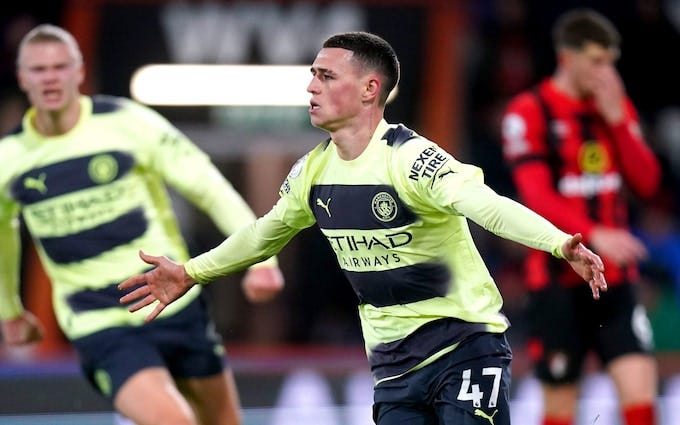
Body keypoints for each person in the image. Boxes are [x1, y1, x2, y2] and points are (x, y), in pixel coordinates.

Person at [120, 31, 607, 425]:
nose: (311, 87)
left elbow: (488, 207)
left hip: (464, 349)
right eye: (312, 76)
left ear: (370, 89)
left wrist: (559, 243)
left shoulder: (411, 160)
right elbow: (263, 234)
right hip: (393, 371)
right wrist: (191, 273)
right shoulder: (313, 172)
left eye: (326, 76)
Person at [0, 24, 285, 425]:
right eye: (39, 69)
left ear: (79, 72)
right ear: (22, 77)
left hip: (175, 303)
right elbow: (3, 235)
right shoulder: (9, 160)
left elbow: (208, 186)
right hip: (99, 323)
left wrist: (261, 260)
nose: (51, 77)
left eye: (60, 67)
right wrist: (9, 310)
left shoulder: (128, 123)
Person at [500, 9, 660, 425]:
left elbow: (648, 183)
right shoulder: (529, 111)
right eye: (597, 61)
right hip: (555, 282)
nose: (607, 73)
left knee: (641, 395)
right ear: (567, 58)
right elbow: (536, 196)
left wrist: (619, 123)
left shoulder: (613, 107)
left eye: (611, 61)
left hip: (615, 281)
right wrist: (594, 234)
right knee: (560, 408)